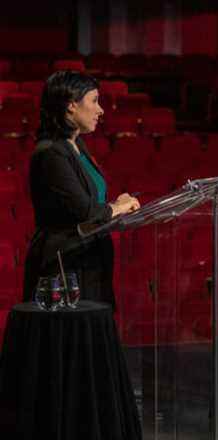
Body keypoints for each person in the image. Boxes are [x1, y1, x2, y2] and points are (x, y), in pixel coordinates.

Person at [22, 70, 140, 306]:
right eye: (94, 101)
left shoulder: (77, 145)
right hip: (65, 266)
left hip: (90, 262)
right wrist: (116, 207)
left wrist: (116, 205)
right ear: (71, 105)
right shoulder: (51, 152)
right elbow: (84, 211)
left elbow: (92, 204)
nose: (101, 110)